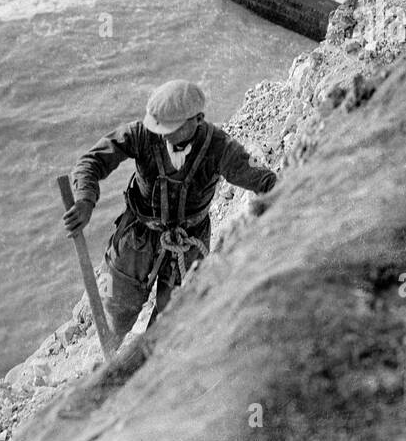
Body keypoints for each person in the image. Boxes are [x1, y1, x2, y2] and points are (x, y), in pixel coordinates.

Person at [61, 79, 277, 339]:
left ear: (196, 120)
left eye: (170, 128)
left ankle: (151, 369)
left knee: (171, 324)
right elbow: (91, 161)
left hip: (187, 245)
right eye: (158, 126)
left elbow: (265, 181)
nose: (162, 133)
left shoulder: (220, 148)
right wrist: (85, 199)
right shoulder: (142, 133)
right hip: (137, 237)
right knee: (116, 309)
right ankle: (111, 360)